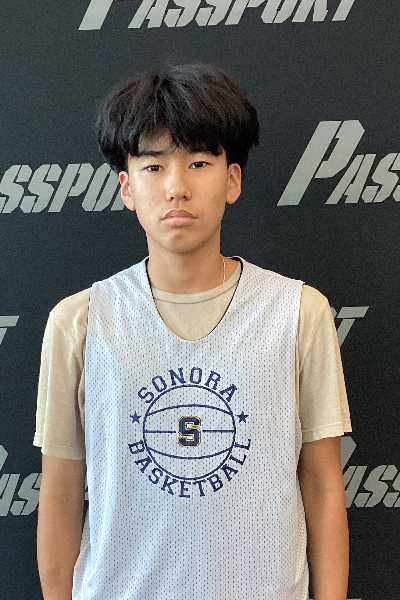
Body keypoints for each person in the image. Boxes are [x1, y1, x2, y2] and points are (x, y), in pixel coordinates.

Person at [34, 63, 351, 600]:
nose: (176, 187)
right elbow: (62, 494)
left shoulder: (299, 312)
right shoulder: (80, 322)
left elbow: (322, 486)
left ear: (232, 181)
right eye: (153, 166)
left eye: (199, 163)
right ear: (126, 186)